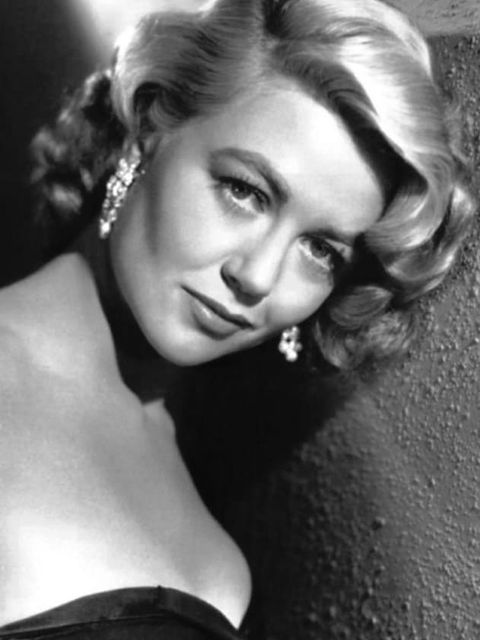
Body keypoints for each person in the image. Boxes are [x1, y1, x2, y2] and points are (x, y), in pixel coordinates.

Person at [0, 0, 474, 638]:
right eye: (244, 191)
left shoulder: (171, 448)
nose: (258, 276)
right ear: (150, 129)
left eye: (320, 250)